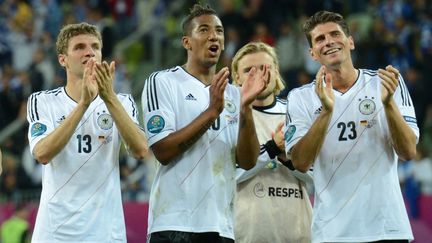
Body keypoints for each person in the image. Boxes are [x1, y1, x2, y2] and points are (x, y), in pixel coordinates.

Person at [285, 11, 419, 243]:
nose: (328, 42)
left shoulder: (385, 83)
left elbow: (408, 152)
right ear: (313, 54)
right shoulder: (301, 98)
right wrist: (327, 112)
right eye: (320, 39)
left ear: (350, 41)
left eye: (335, 34)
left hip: (386, 228)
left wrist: (388, 105)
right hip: (333, 233)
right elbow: (300, 162)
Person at [141, 4, 268, 243]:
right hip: (173, 222)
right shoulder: (163, 82)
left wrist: (246, 109)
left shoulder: (234, 94)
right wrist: (212, 112)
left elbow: (248, 160)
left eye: (219, 31)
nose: (214, 36)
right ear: (186, 42)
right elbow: (162, 151)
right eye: (204, 30)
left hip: (221, 225)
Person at [26, 22, 148, 242]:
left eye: (95, 47)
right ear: (63, 60)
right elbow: (42, 153)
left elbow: (140, 150)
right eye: (79, 47)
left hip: (106, 232)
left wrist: (109, 98)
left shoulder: (122, 102)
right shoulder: (42, 101)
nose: (89, 52)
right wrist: (83, 104)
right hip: (55, 233)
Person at [231, 41, 313, 243]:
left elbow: (320, 178)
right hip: (245, 236)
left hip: (299, 235)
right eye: (249, 70)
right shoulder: (227, 117)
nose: (258, 75)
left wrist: (289, 160)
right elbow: (227, 176)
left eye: (264, 68)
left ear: (276, 72)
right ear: (237, 78)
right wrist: (272, 148)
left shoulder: (298, 114)